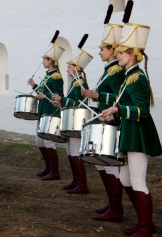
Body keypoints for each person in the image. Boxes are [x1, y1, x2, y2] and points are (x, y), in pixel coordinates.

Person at [100, 21, 162, 237]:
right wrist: (112, 113)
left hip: (138, 134)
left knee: (137, 180)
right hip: (128, 132)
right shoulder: (128, 76)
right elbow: (125, 105)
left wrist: (118, 109)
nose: (118, 56)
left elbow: (142, 111)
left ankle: (145, 231)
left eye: (122, 53)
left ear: (133, 55)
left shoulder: (138, 78)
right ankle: (144, 222)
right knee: (125, 178)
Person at [82, 15, 125, 222]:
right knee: (101, 163)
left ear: (112, 50)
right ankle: (112, 203)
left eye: (102, 49)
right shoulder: (109, 70)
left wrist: (99, 96)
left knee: (110, 164)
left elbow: (120, 97)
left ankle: (117, 207)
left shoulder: (116, 70)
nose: (99, 52)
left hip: (113, 121)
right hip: (104, 119)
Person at [52, 35, 92, 194]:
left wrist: (64, 99)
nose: (67, 69)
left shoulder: (80, 84)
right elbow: (72, 101)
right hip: (71, 120)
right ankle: (76, 180)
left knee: (75, 151)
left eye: (70, 67)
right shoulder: (75, 84)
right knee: (70, 151)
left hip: (77, 120)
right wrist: (61, 102)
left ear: (77, 69)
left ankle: (82, 184)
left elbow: (80, 104)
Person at [28, 32, 64, 180]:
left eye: (45, 59)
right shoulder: (48, 75)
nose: (43, 61)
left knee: (48, 140)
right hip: (43, 110)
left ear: (51, 61)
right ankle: (48, 167)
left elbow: (58, 94)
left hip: (51, 110)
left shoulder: (56, 77)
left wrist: (45, 96)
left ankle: (55, 171)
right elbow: (43, 92)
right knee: (39, 140)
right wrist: (34, 85)